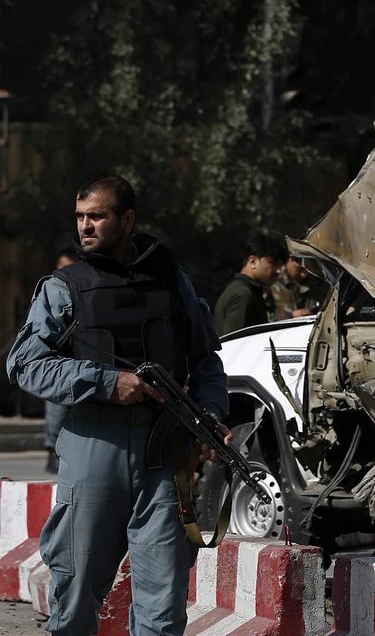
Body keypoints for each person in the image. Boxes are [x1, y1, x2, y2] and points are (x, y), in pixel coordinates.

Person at [4, 174, 231, 635]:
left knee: (164, 603)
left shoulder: (171, 280)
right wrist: (107, 382)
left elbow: (206, 360)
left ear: (126, 220)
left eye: (97, 216)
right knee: (76, 594)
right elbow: (24, 364)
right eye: (80, 217)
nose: (85, 227)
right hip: (95, 445)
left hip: (167, 451)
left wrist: (210, 419)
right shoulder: (65, 287)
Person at [40, 248, 82, 474]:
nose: (60, 271)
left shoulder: (81, 288)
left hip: (78, 361)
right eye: (59, 266)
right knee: (56, 407)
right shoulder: (52, 289)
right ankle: (52, 451)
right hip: (58, 362)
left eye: (65, 267)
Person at [213, 234, 284, 336]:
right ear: (253, 262)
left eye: (280, 265)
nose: (278, 270)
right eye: (273, 263)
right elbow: (234, 343)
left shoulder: (249, 290)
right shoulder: (243, 294)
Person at [271, 255, 324, 320]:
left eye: (307, 270)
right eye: (299, 268)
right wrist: (291, 315)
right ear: (290, 260)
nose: (303, 274)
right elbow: (265, 317)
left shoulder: (316, 282)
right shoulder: (272, 281)